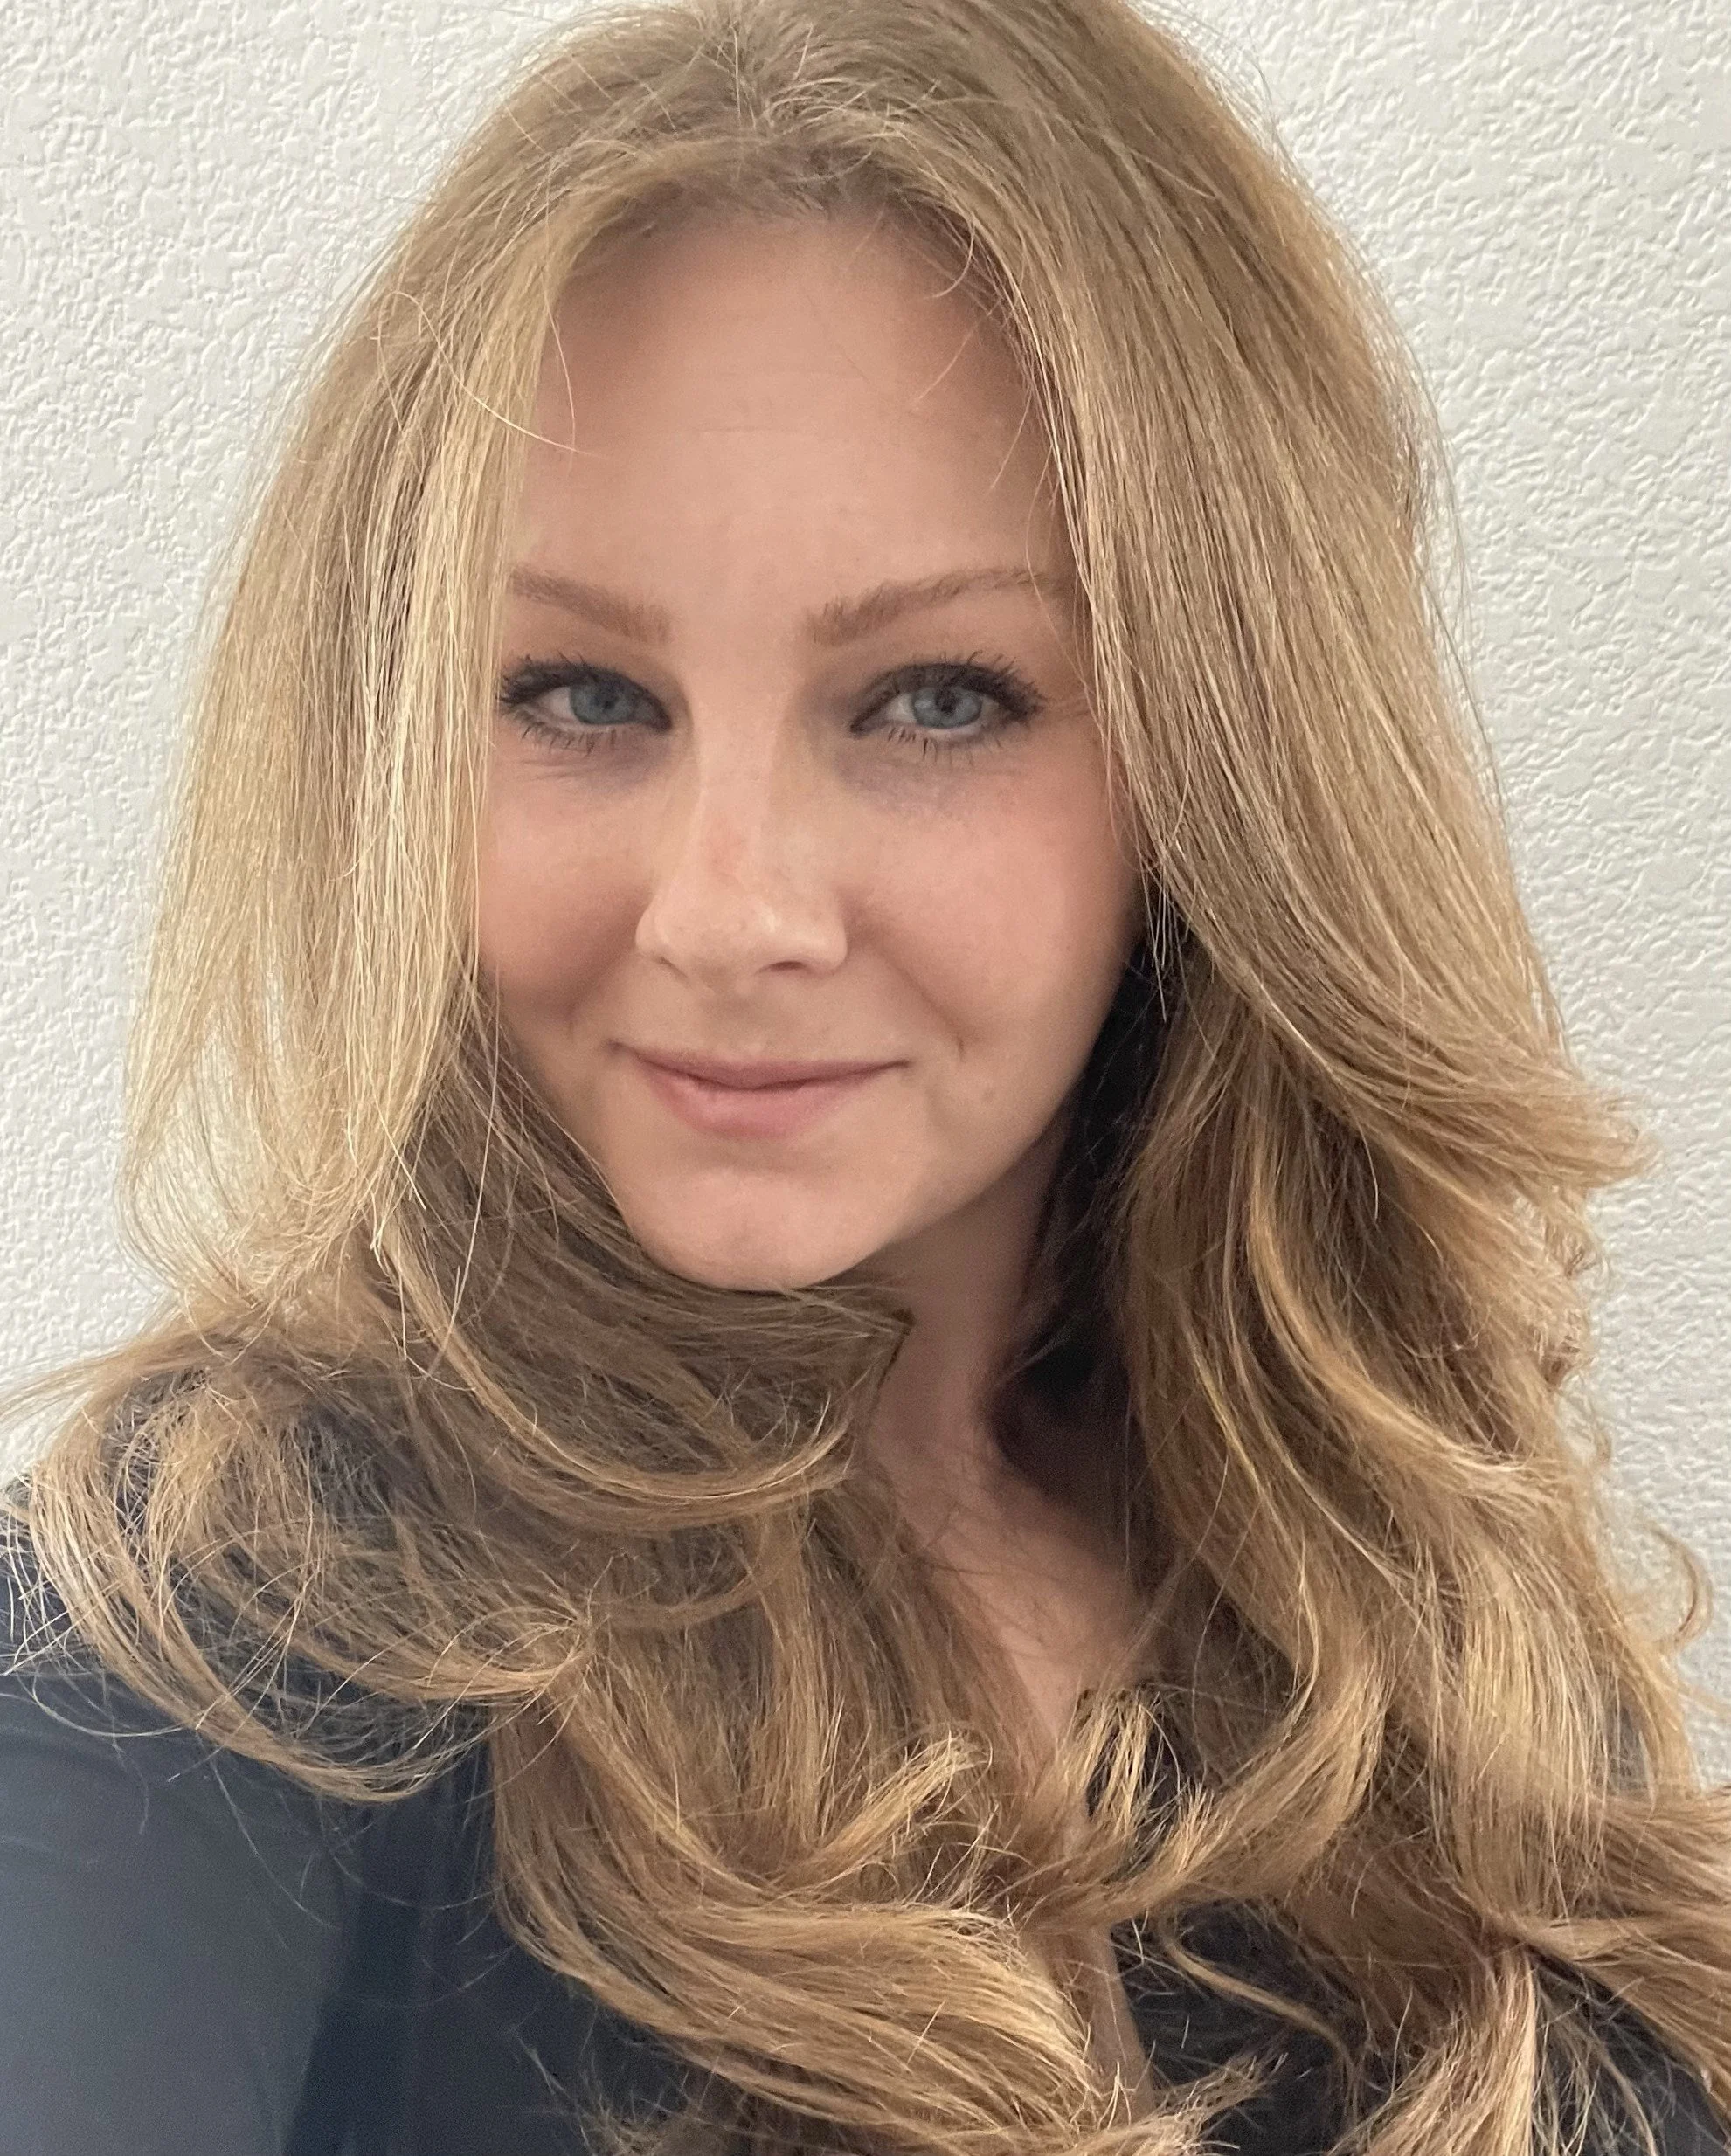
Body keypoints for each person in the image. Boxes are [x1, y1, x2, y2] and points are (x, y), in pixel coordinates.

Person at [3, 1, 1728, 2151]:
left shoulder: (1423, 1600)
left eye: (933, 699)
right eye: (580, 693)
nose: (729, 911)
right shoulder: (210, 1640)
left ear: (1224, 758)